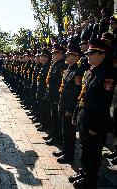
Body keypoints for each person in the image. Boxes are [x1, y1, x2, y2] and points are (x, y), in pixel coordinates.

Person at [71, 38, 116, 188]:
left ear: (102, 55)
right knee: (85, 150)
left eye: (92, 53)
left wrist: (95, 126)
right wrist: (77, 114)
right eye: (88, 53)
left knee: (92, 153)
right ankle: (84, 174)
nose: (88, 56)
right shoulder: (91, 72)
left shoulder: (107, 75)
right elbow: (83, 95)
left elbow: (104, 103)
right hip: (86, 116)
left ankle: (90, 182)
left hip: (95, 120)